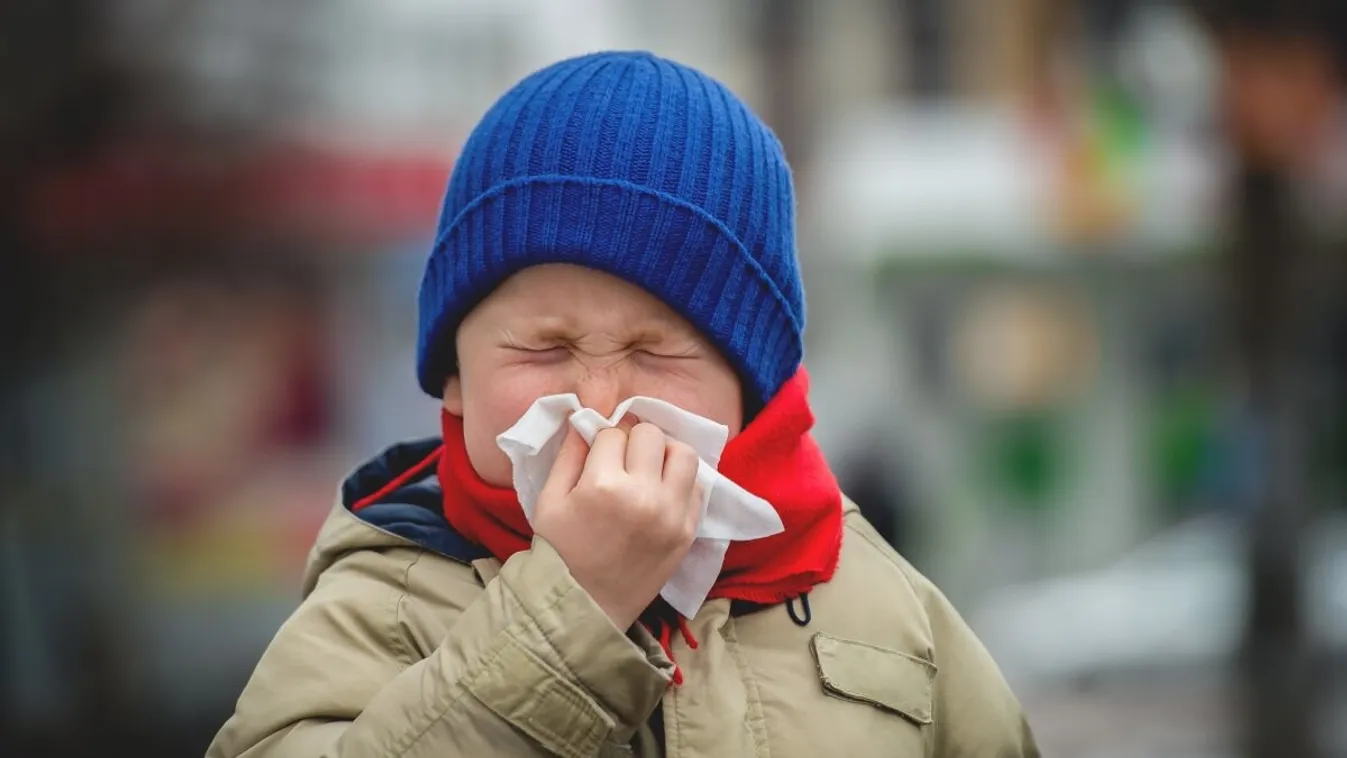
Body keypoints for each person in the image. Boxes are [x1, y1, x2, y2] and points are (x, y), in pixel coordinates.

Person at [208, 51, 1038, 758]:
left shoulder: (884, 608)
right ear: (454, 378)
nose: (598, 404)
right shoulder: (379, 603)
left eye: (654, 352)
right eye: (544, 348)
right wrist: (574, 608)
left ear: (752, 389)